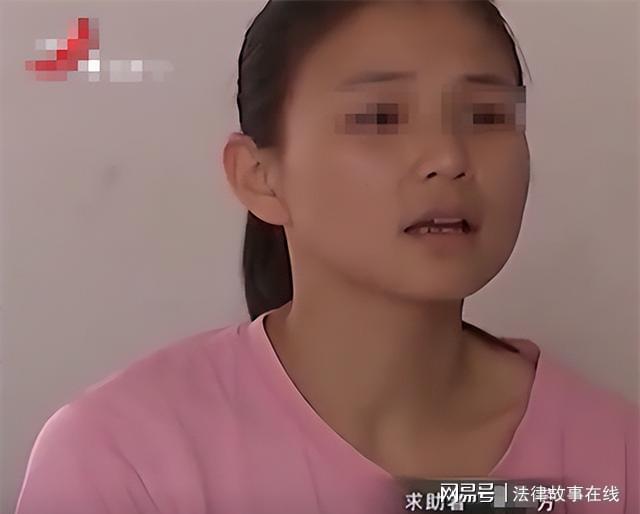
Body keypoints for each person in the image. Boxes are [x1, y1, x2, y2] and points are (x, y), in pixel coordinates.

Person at [14, 1, 638, 513]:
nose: (449, 156)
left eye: (487, 115)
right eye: (380, 117)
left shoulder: (615, 460)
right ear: (259, 177)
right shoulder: (122, 460)